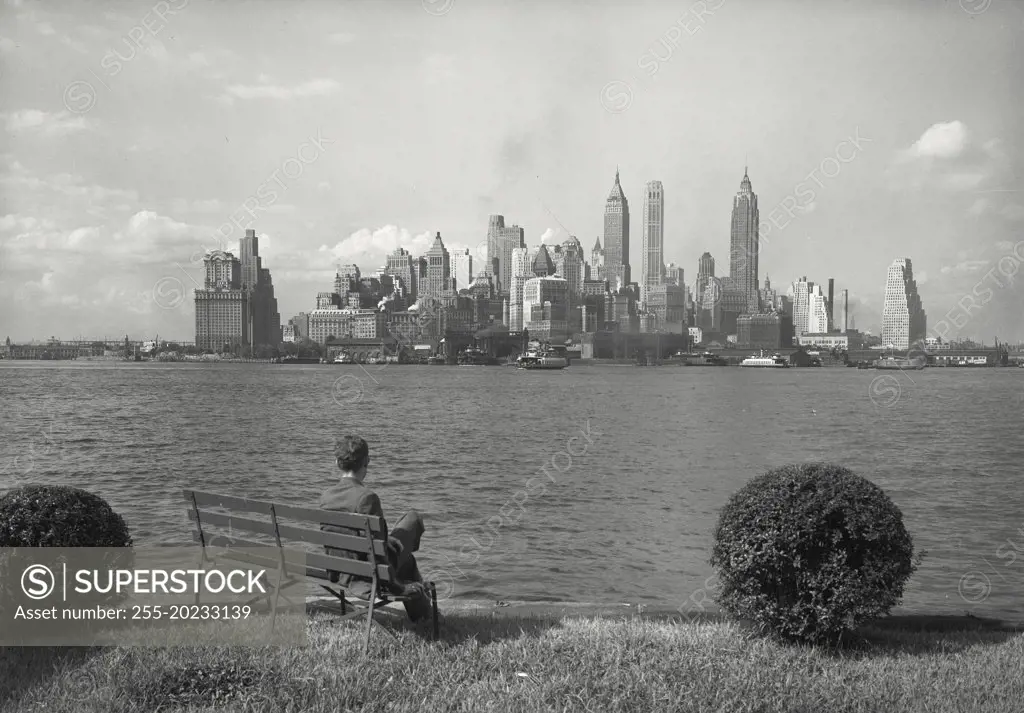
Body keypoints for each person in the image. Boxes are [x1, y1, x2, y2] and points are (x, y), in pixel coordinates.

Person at [319, 435, 431, 622]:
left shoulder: (326, 497)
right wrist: (399, 587)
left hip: (340, 570)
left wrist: (386, 541)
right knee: (412, 519)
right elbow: (378, 557)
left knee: (406, 559)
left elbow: (356, 538)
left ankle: (423, 614)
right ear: (367, 461)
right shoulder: (367, 498)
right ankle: (425, 615)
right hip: (368, 574)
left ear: (337, 462)